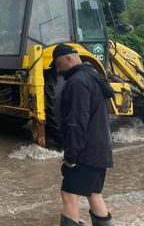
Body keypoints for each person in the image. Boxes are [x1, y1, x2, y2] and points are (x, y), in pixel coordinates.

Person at [51, 44, 115, 226]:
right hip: (100, 148)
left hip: (85, 152)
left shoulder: (77, 82)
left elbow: (76, 123)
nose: (58, 70)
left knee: (69, 195)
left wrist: (71, 158)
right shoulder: (94, 76)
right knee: (94, 193)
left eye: (58, 64)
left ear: (69, 59)